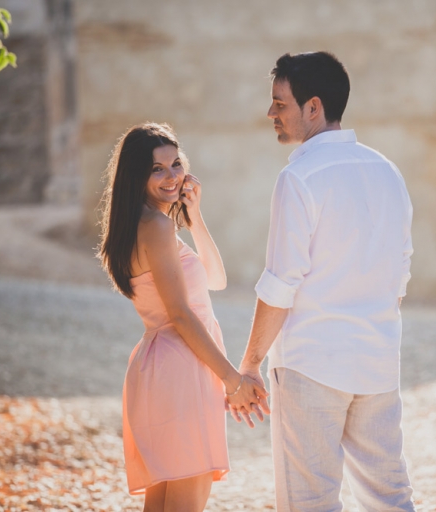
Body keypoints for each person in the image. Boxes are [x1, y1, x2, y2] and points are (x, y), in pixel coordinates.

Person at [230, 52, 416, 511]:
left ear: (313, 107)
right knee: (389, 496)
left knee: (309, 501)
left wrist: (249, 364)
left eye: (280, 103)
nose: (271, 113)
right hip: (377, 361)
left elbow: (279, 284)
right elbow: (400, 275)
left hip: (311, 365)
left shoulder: (299, 177)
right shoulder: (388, 172)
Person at [97, 123, 266, 511]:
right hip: (182, 371)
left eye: (175, 164)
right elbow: (181, 315)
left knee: (164, 504)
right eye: (157, 168)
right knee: (185, 503)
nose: (172, 176)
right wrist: (232, 380)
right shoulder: (154, 226)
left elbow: (216, 280)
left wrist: (194, 216)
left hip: (164, 369)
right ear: (136, 175)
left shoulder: (146, 224)